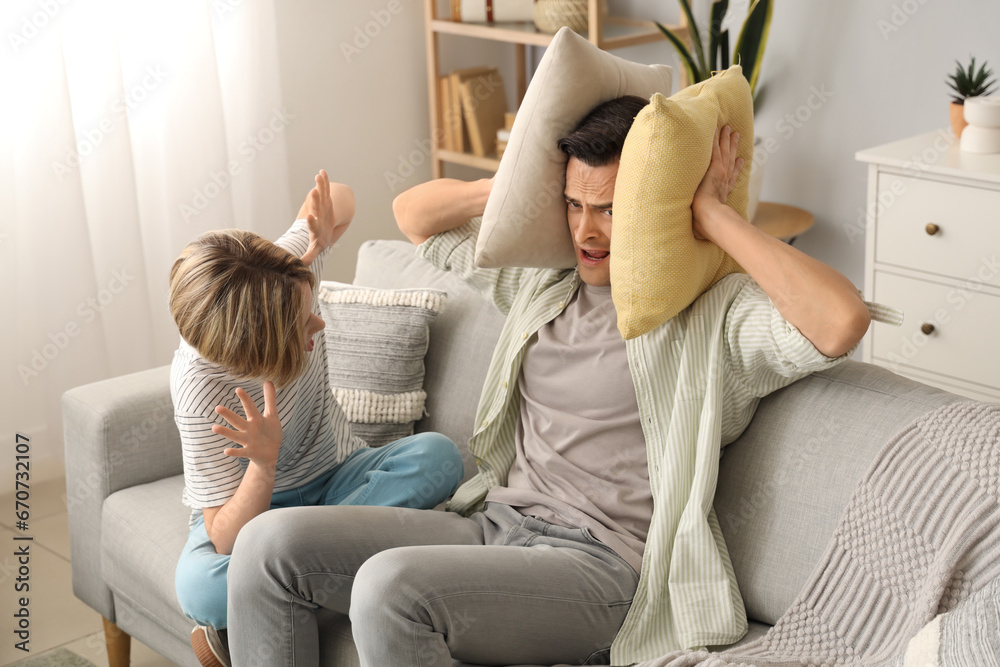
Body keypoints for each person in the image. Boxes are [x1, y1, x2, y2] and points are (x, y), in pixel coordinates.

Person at [223, 98, 873, 667]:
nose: (586, 231)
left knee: (389, 587)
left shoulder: (709, 316)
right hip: (495, 524)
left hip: (600, 569)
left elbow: (842, 321)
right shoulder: (545, 282)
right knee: (265, 545)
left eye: (612, 210)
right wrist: (516, 181)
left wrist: (714, 212)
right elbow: (415, 217)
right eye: (574, 204)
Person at [168, 170, 464, 667]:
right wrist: (263, 465)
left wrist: (322, 228)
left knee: (438, 457)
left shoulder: (282, 278)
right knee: (200, 590)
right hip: (257, 516)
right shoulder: (200, 388)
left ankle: (295, 579)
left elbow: (343, 198)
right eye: (304, 323)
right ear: (257, 344)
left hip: (339, 476)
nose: (320, 323)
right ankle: (324, 564)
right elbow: (224, 535)